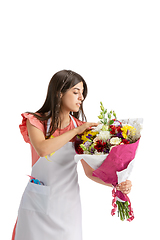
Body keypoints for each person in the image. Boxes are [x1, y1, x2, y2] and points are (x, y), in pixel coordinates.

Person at [12, 70, 132, 240]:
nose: (81, 98)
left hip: (68, 207)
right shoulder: (36, 121)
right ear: (58, 93)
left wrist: (116, 184)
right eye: (76, 92)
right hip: (37, 204)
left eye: (82, 93)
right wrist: (77, 131)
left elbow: (90, 172)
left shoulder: (82, 129)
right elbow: (43, 149)